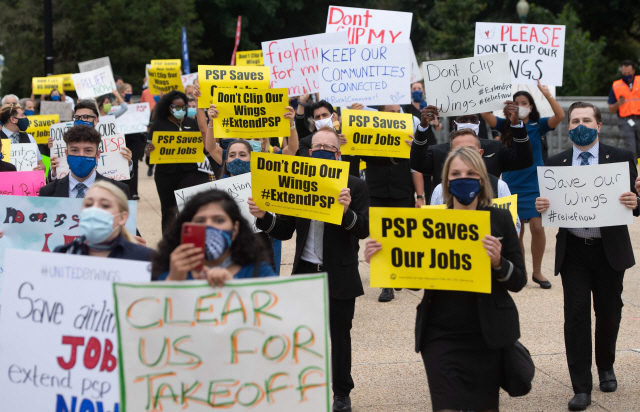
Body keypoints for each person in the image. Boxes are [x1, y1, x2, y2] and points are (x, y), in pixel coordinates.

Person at [365, 146, 526, 412]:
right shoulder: (429, 220)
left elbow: (518, 280)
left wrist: (499, 262)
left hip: (487, 333)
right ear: (446, 181)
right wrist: (383, 259)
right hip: (440, 333)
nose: (464, 178)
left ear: (482, 179)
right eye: (456, 173)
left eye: (471, 173)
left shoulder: (499, 219)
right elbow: (414, 279)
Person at [248, 127, 369, 412]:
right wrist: (265, 218)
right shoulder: (299, 183)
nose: (323, 150)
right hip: (305, 271)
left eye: (329, 146)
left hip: (339, 272)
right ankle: (302, 388)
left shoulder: (355, 186)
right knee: (302, 335)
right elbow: (286, 231)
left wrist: (346, 212)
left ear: (338, 153)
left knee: (340, 336)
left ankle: (341, 393)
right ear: (310, 152)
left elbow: (363, 229)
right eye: (318, 146)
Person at [535, 102, 639, 411]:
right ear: (568, 127)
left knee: (608, 312)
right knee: (576, 315)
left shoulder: (620, 158)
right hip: (575, 251)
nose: (581, 124)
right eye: (575, 120)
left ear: (598, 125)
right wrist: (543, 206)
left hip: (609, 251)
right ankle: (581, 386)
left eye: (587, 120)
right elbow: (551, 205)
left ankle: (605, 365)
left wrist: (636, 200)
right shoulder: (556, 163)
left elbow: (635, 204)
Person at [481, 83, 564, 289]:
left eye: (524, 103)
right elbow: (485, 114)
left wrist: (547, 94)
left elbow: (560, 115)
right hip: (512, 182)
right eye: (516, 103)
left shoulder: (539, 124)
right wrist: (487, 92)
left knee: (537, 226)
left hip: (535, 182)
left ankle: (537, 271)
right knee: (517, 230)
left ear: (531, 106)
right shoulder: (504, 124)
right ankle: (521, 270)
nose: (520, 106)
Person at [152, 189, 276, 284]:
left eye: (219, 220)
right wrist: (173, 281)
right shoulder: (170, 270)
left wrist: (234, 288)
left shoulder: (259, 272)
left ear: (235, 229)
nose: (209, 226)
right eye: (200, 221)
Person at [411, 104, 533, 197]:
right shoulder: (437, 151)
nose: (469, 123)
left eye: (473, 120)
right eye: (463, 120)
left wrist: (516, 125)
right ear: (454, 124)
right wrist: (422, 128)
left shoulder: (495, 148)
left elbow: (524, 161)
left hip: (488, 215)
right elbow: (417, 164)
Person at [430, 128, 522, 235]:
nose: (466, 156)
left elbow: (514, 226)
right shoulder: (439, 190)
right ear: (450, 156)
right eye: (459, 151)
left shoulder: (499, 186)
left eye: (471, 150)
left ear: (480, 153)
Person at [145, 91, 210, 232]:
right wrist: (148, 150)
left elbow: (203, 146)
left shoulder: (192, 123)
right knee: (168, 212)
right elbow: (149, 150)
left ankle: (188, 240)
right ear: (169, 107)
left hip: (189, 172)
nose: (181, 110)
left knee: (187, 209)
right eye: (177, 107)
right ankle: (169, 246)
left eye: (183, 106)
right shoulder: (159, 124)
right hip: (165, 174)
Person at [53, 181, 152, 260]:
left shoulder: (143, 258)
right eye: (88, 205)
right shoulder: (62, 253)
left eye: (105, 205)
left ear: (122, 218)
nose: (94, 210)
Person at [48, 100, 133, 181]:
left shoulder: (112, 143)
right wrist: (54, 172)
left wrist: (127, 164)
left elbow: (123, 182)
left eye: (85, 117)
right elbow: (53, 185)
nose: (81, 120)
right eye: (77, 118)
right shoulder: (65, 142)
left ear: (95, 120)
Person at [39, 125, 131, 199]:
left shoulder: (119, 191)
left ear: (97, 154)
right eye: (75, 150)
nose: (81, 155)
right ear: (66, 154)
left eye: (88, 151)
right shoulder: (47, 192)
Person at [295, 96, 360, 176]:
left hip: (349, 185)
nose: (321, 119)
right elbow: (307, 167)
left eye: (324, 115)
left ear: (333, 117)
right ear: (314, 122)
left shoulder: (348, 136)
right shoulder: (306, 142)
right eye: (318, 117)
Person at [119, 83, 145, 200]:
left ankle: (134, 191)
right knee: (122, 164)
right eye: (126, 91)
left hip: (134, 138)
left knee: (133, 163)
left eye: (130, 91)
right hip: (122, 138)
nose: (129, 93)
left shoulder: (136, 107)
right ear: (121, 93)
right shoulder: (116, 107)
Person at [608, 60, 640, 158]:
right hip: (625, 121)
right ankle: (634, 172)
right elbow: (611, 109)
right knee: (631, 148)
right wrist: (618, 103)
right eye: (624, 73)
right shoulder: (616, 85)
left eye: (629, 73)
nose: (627, 75)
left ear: (633, 71)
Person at [0, 103, 46, 171]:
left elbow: (42, 165)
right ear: (13, 119)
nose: (25, 117)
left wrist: (40, 169)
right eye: (22, 115)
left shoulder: (29, 137)